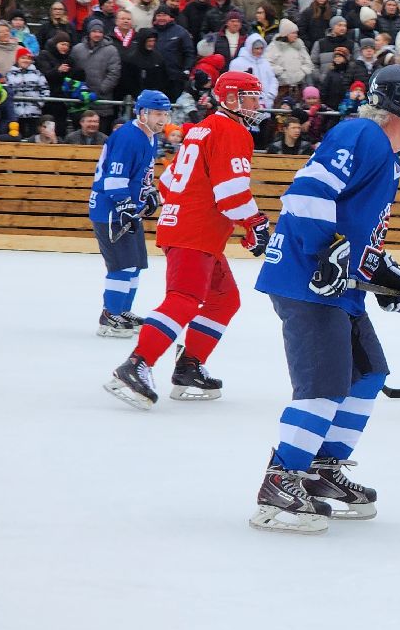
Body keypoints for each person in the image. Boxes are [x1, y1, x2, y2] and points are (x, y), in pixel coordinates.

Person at [249, 64, 400, 533]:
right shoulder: (361, 134)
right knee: (324, 385)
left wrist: (384, 272)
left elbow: (358, 229)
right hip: (306, 278)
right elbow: (307, 194)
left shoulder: (390, 160)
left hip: (338, 285)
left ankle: (319, 469)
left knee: (367, 374)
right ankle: (280, 480)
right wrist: (324, 253)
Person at [103, 71, 271, 409]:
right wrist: (255, 223)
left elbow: (174, 178)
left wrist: (157, 199)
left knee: (224, 300)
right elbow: (231, 191)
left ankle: (189, 367)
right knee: (184, 298)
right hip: (195, 229)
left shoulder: (201, 128)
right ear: (231, 99)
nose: (257, 103)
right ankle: (136, 365)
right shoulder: (231, 130)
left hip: (190, 227)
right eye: (250, 96)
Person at [88, 91, 171, 337]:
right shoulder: (127, 137)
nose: (163, 119)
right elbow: (114, 178)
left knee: (134, 264)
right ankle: (109, 315)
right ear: (142, 113)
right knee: (121, 265)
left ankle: (122, 310)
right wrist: (124, 204)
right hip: (110, 210)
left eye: (165, 114)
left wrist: (149, 192)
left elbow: (139, 174)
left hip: (127, 209)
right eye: (158, 113)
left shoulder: (150, 137)